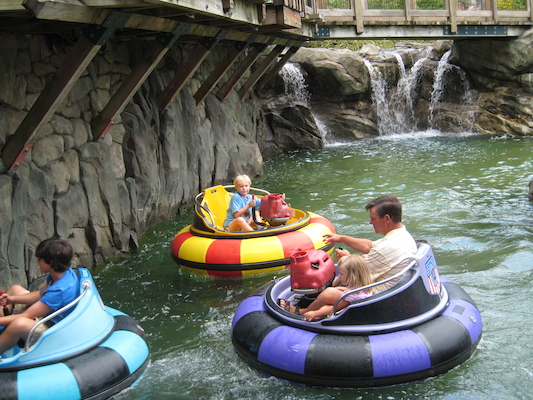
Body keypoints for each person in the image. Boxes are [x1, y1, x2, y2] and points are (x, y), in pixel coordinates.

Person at [0, 237, 80, 353]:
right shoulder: (60, 273)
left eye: (40, 259)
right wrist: (11, 299)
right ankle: (6, 325)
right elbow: (40, 294)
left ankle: (7, 334)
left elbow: (25, 316)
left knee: (19, 324)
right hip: (47, 313)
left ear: (51, 263)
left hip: (54, 329)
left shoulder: (59, 291)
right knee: (14, 289)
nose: (37, 261)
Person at [323, 195, 417, 293]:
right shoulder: (403, 236)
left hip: (373, 295)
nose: (370, 222)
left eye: (373, 219)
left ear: (386, 218)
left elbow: (356, 275)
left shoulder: (386, 248)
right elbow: (369, 246)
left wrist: (347, 258)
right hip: (394, 287)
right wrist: (342, 238)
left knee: (327, 293)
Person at [279, 254, 373, 321]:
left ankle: (302, 311)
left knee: (326, 303)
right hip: (355, 308)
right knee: (333, 292)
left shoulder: (351, 296)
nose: (339, 276)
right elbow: (353, 291)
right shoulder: (363, 286)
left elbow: (334, 308)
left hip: (348, 314)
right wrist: (344, 289)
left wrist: (315, 313)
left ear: (352, 277)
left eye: (342, 274)